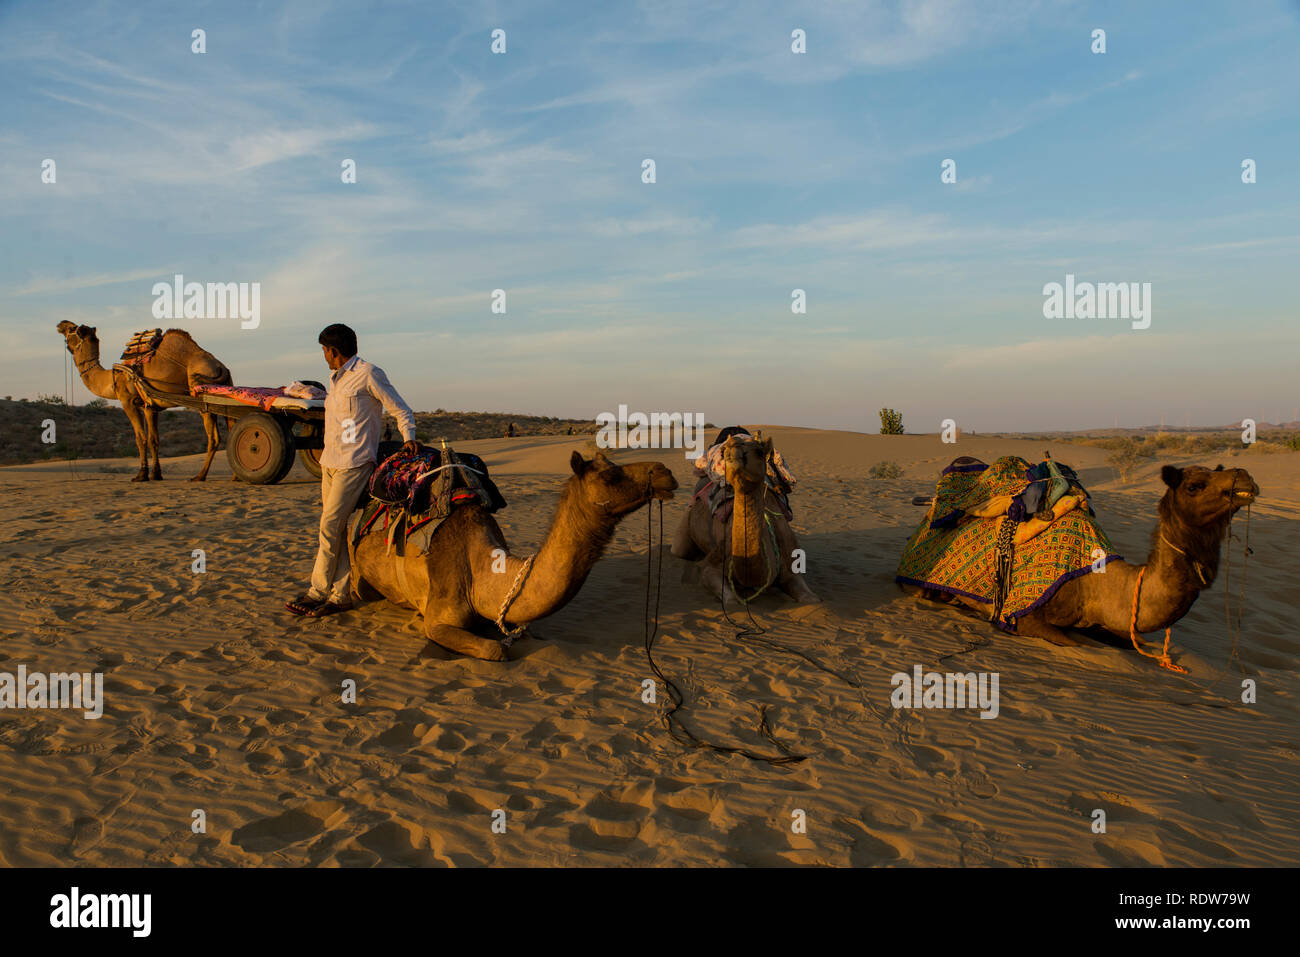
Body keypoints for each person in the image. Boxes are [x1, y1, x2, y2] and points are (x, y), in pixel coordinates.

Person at [285, 323, 419, 618]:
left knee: (329, 527)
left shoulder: (369, 373)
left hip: (355, 463)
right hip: (329, 463)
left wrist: (409, 438)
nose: (323, 355)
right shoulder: (335, 380)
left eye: (323, 350)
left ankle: (317, 591)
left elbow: (400, 408)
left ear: (333, 351)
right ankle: (341, 594)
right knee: (336, 527)